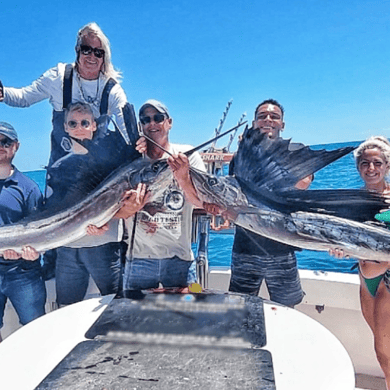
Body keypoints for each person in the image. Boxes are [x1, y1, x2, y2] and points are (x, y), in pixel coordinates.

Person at [207, 99, 311, 307]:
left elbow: (303, 183)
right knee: (240, 309)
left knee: (287, 310)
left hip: (282, 248)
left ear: (282, 124)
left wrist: (265, 149)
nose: (268, 119)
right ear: (254, 123)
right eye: (262, 116)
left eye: (274, 117)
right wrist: (224, 216)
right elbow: (235, 195)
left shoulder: (296, 149)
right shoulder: (241, 157)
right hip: (245, 247)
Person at [114, 99, 206, 292]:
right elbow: (114, 207)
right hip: (139, 260)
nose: (152, 123)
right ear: (141, 126)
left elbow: (201, 203)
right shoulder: (131, 159)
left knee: (190, 313)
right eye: (146, 120)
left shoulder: (189, 156)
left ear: (169, 122)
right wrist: (131, 207)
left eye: (158, 118)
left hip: (180, 259)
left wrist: (183, 179)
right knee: (136, 318)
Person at [50, 102, 124, 306]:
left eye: (84, 123)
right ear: (65, 127)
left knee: (115, 305)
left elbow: (125, 203)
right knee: (65, 308)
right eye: (73, 124)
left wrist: (108, 222)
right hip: (68, 247)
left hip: (103, 246)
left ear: (94, 125)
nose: (79, 128)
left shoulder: (112, 162)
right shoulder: (58, 167)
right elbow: (52, 210)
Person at [331, 136, 390, 389]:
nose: (371, 168)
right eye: (365, 163)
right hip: (367, 280)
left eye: (377, 162)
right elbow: (348, 239)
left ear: (387, 166)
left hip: (387, 278)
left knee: (385, 349)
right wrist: (338, 249)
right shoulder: (353, 200)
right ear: (358, 167)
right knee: (381, 350)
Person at [0, 122, 46, 341]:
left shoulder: (29, 188)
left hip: (23, 272)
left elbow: (41, 231)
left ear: (15, 146)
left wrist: (35, 253)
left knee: (36, 330)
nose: (0, 146)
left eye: (5, 141)